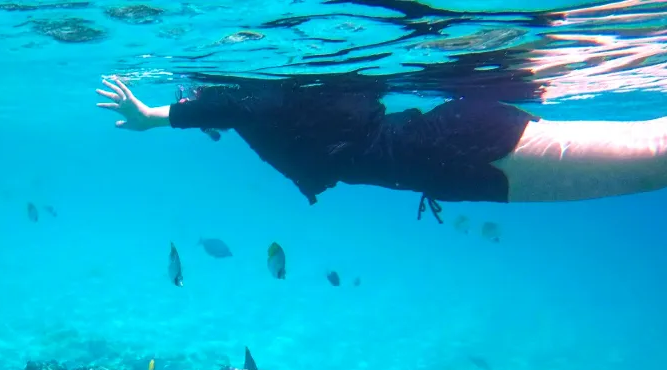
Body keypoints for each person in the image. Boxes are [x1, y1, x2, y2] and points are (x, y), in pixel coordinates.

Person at [95, 77, 667, 221]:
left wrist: (154, 117)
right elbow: (224, 112)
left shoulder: (252, 103)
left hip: (453, 149)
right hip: (450, 164)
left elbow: (224, 107)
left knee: (655, 157)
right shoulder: (263, 111)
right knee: (652, 163)